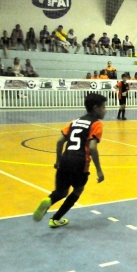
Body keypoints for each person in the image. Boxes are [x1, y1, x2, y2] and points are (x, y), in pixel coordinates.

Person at [32, 93, 107, 228]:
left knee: (61, 191)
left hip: (65, 159)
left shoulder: (75, 121)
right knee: (78, 189)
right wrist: (99, 170)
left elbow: (60, 141)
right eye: (103, 107)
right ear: (96, 108)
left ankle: (49, 200)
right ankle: (56, 218)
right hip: (80, 161)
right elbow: (92, 147)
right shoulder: (96, 124)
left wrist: (58, 160)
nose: (105, 110)